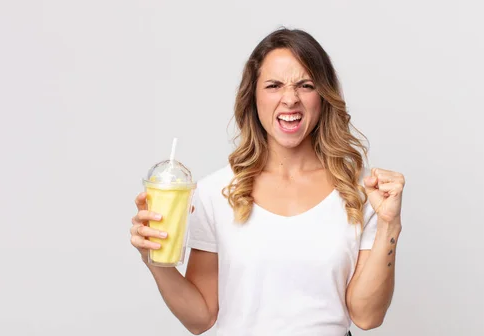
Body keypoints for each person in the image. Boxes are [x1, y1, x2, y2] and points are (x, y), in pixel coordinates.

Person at [130, 27, 405, 336]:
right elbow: (201, 318)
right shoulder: (216, 193)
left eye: (305, 85)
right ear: (254, 97)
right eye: (274, 85)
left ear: (323, 96)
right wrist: (153, 259)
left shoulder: (359, 193)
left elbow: (367, 316)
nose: (290, 99)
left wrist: (389, 225)